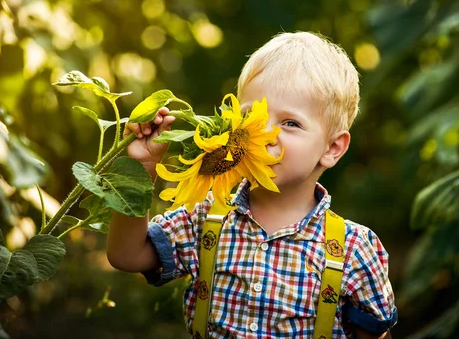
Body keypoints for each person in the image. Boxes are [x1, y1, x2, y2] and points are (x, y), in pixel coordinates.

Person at [106, 32, 398, 338]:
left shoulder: (353, 251)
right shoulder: (205, 221)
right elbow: (126, 256)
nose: (264, 134)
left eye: (290, 123)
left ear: (332, 148)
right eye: (250, 117)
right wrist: (141, 170)